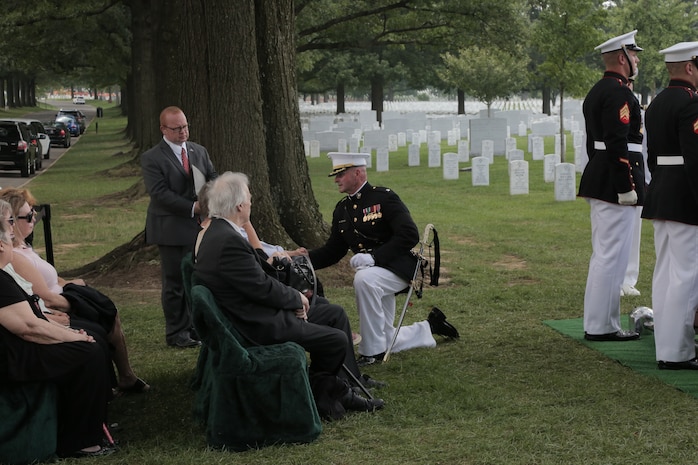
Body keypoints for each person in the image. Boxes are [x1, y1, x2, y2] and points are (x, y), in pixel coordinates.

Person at [193, 172, 384, 417]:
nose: (251, 202)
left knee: (333, 313)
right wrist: (295, 299)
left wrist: (293, 295)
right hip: (255, 323)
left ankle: (344, 386)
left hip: (251, 310)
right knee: (335, 340)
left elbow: (260, 276)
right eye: (249, 198)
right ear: (240, 205)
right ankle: (325, 398)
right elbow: (260, 287)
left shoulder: (221, 232)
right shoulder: (228, 241)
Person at [307, 152, 459, 366]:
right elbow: (333, 250)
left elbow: (409, 234)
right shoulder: (342, 209)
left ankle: (372, 353)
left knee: (364, 279)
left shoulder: (384, 197)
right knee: (385, 334)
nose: (336, 180)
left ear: (358, 173)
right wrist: (303, 260)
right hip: (375, 273)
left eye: (341, 174)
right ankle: (430, 327)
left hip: (399, 268)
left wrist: (374, 257)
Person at [0, 188, 149, 394]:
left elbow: (47, 282)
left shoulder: (24, 248)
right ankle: (110, 388)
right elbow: (39, 305)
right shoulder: (13, 257)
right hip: (53, 306)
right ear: (12, 222)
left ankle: (119, 381)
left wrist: (72, 285)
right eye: (28, 216)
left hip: (57, 303)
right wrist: (75, 309)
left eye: (34, 212)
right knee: (95, 332)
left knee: (104, 317)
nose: (34, 218)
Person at [0, 204, 115, 458]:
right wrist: (72, 336)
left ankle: (89, 426)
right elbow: (28, 328)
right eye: (9, 238)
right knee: (87, 353)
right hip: (13, 357)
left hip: (19, 347)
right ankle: (79, 442)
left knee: (89, 345)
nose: (13, 243)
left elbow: (35, 317)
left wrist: (73, 334)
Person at [577, 30, 645, 342]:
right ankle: (602, 325)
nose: (637, 59)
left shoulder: (599, 91)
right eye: (634, 54)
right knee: (611, 255)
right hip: (615, 184)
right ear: (622, 58)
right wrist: (625, 186)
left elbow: (595, 145)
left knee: (606, 254)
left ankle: (601, 322)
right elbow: (617, 143)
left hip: (602, 178)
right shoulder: (619, 93)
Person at [641, 41, 698, 369]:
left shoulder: (658, 102)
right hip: (685, 199)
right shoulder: (692, 104)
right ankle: (677, 352)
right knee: (687, 276)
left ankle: (667, 345)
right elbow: (695, 160)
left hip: (661, 193)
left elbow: (650, 156)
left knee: (665, 273)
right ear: (690, 67)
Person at [141, 106, 217, 348]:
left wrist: (213, 196)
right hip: (171, 229)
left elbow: (212, 176)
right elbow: (160, 194)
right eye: (177, 128)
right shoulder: (152, 158)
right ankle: (176, 333)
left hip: (199, 228)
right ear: (164, 129)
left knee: (197, 280)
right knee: (175, 283)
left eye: (185, 126)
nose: (183, 132)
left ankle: (195, 328)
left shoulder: (198, 151)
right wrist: (192, 208)